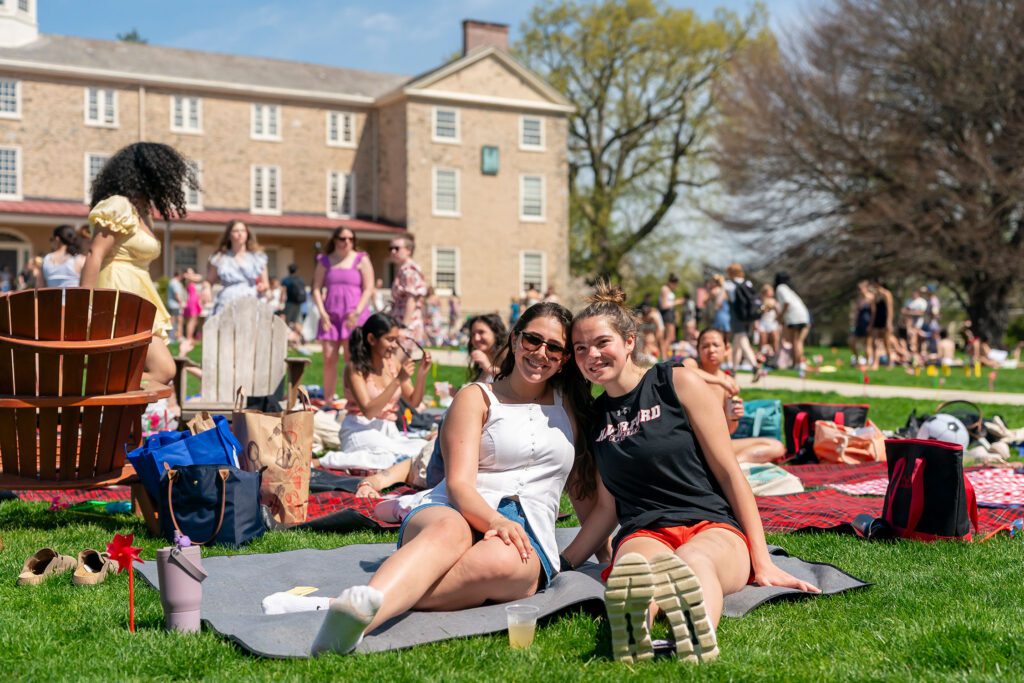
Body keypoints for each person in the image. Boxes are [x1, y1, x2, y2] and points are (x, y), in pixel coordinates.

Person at [293, 302, 590, 656]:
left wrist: (594, 556)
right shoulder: (476, 397)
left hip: (528, 524)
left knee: (507, 565)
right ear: (514, 340)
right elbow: (459, 484)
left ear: (564, 358)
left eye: (554, 347)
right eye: (532, 340)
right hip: (455, 506)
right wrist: (494, 520)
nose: (541, 352)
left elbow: (583, 488)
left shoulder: (570, 405)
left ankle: (352, 604)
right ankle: (357, 625)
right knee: (450, 532)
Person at [562, 283, 818, 664]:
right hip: (645, 531)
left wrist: (762, 562)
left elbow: (731, 474)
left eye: (602, 343)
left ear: (629, 341)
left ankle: (698, 640)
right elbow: (606, 508)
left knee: (694, 561)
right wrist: (562, 563)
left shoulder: (675, 382)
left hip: (710, 524)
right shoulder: (598, 417)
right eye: (580, 348)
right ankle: (634, 635)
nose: (591, 355)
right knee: (636, 570)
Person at [80, 142, 197, 384]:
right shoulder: (119, 205)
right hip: (116, 293)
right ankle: (106, 394)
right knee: (164, 370)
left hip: (140, 294)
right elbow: (95, 254)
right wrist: (83, 305)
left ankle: (111, 403)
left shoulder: (143, 213)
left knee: (135, 367)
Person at [340, 313, 432, 464]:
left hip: (388, 431)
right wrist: (397, 381)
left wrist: (422, 373)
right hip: (359, 429)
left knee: (424, 448)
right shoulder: (354, 368)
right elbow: (369, 412)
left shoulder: (392, 362)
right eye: (390, 339)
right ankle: (329, 460)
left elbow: (414, 402)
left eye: (396, 340)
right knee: (400, 455)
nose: (395, 345)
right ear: (371, 339)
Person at [683, 329, 785, 463]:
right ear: (698, 350)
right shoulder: (692, 365)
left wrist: (734, 417)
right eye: (705, 346)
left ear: (726, 349)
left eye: (716, 345)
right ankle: (725, 466)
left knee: (776, 446)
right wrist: (720, 381)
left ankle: (732, 464)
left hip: (716, 444)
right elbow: (684, 370)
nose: (711, 350)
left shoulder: (729, 383)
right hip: (690, 442)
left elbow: (730, 430)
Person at [312, 226, 375, 407]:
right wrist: (322, 313)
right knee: (329, 358)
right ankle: (328, 400)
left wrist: (357, 312)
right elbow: (316, 287)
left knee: (351, 359)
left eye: (350, 238)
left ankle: (353, 398)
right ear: (335, 240)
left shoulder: (361, 259)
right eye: (342, 238)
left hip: (353, 316)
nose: (346, 241)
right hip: (330, 316)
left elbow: (368, 288)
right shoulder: (325, 261)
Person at [207, 220, 268, 315]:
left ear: (247, 234)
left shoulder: (257, 257)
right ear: (229, 235)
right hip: (228, 302)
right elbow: (209, 281)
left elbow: (265, 284)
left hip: (251, 300)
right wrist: (206, 289)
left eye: (243, 231)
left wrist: (262, 287)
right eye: (236, 231)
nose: (240, 234)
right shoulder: (220, 258)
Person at [724, 263, 764, 380]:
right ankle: (734, 370)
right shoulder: (747, 283)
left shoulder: (728, 285)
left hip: (736, 315)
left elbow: (727, 299)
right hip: (749, 316)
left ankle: (755, 366)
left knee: (742, 339)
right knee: (738, 342)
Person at [388, 235, 427, 344]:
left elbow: (411, 299)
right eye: (390, 248)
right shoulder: (402, 269)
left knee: (396, 361)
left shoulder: (409, 270)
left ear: (408, 250)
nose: (393, 251)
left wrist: (404, 327)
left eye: (397, 248)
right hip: (400, 322)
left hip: (408, 324)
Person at [774, 272, 810, 374]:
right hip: (802, 315)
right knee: (798, 341)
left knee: (796, 341)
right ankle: (797, 363)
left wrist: (780, 316)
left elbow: (787, 302)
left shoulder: (780, 288)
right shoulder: (788, 289)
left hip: (795, 317)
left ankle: (798, 364)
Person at [465, 313, 508, 383]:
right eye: (473, 334)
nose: (476, 338)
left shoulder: (508, 357)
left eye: (481, 332)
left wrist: (488, 367)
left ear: (495, 333)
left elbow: (513, 382)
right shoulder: (481, 361)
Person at [868, 280, 895, 370]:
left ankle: (890, 362)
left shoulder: (886, 294)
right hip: (877, 320)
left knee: (886, 343)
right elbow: (874, 311)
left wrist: (889, 322)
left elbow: (890, 309)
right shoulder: (875, 296)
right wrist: (871, 323)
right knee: (875, 342)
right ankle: (875, 363)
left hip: (885, 320)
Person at [848, 280, 873, 366]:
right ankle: (857, 358)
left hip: (868, 324)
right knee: (851, 341)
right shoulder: (859, 299)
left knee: (867, 344)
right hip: (859, 324)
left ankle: (868, 363)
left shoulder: (871, 298)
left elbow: (874, 313)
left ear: (866, 288)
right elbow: (856, 313)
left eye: (861, 288)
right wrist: (854, 323)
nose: (859, 290)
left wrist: (871, 325)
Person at [658, 274, 682, 358]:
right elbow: (664, 305)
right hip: (666, 314)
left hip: (671, 313)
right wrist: (677, 302)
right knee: (668, 337)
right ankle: (664, 357)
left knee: (672, 337)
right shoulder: (665, 289)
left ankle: (669, 356)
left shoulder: (669, 290)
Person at [281, 263, 307, 333]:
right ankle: (300, 336)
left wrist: (281, 302)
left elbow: (283, 292)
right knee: (297, 321)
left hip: (289, 302)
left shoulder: (286, 280)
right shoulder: (300, 279)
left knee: (287, 321)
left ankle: (288, 337)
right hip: (298, 302)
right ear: (296, 270)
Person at [758, 284, 780, 359]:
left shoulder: (774, 301)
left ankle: (776, 357)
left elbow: (778, 312)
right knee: (762, 340)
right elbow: (758, 312)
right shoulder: (760, 300)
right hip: (763, 322)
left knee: (775, 339)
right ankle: (760, 356)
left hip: (772, 322)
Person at [166, 270, 186, 343]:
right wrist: (181, 303)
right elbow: (176, 294)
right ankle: (175, 337)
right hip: (175, 305)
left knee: (175, 320)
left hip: (173, 305)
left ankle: (176, 336)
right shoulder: (175, 283)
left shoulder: (172, 282)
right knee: (177, 321)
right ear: (179, 275)